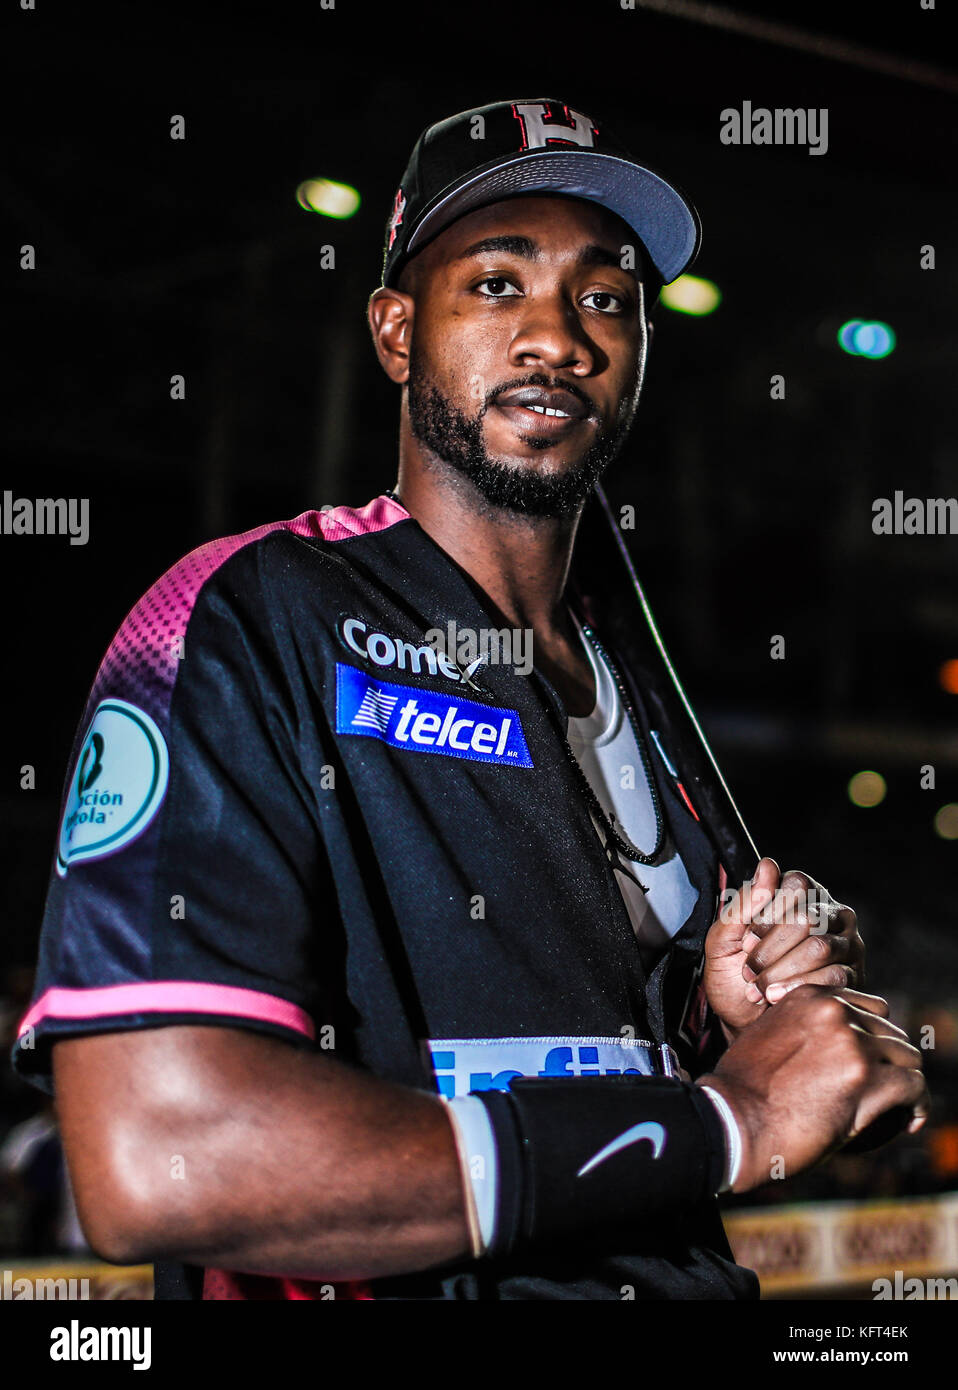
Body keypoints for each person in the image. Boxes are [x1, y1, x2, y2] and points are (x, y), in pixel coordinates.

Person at [10, 97, 927, 1301]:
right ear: (396, 332)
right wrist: (727, 1117)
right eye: (497, 284)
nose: (560, 338)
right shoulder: (248, 613)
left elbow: (589, 1056)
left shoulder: (636, 683)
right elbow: (163, 1160)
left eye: (606, 297)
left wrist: (730, 1023)